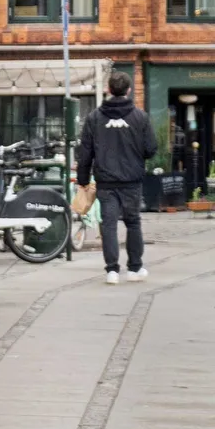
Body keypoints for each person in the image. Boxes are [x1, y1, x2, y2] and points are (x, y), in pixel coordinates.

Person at [76, 71, 157, 284]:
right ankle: (134, 268)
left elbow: (85, 152)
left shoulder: (94, 118)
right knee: (133, 222)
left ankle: (112, 270)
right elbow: (150, 149)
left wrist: (83, 180)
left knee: (109, 225)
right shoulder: (140, 117)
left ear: (109, 90)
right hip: (131, 180)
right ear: (128, 90)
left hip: (106, 181)